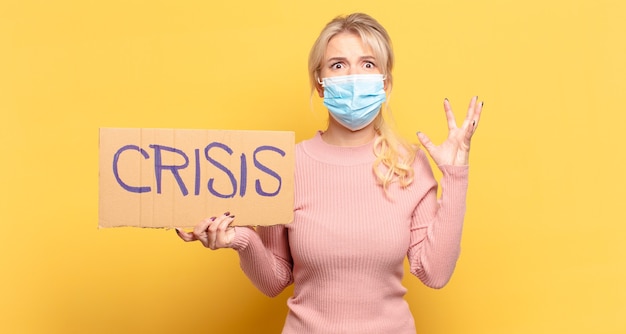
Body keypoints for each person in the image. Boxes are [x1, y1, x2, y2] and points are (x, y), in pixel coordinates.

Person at [176, 12, 483, 334]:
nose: (353, 76)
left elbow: (434, 274)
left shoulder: (410, 166)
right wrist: (243, 239)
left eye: (367, 64)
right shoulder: (280, 167)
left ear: (385, 83)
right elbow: (275, 279)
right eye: (338, 65)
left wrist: (455, 174)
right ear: (320, 84)